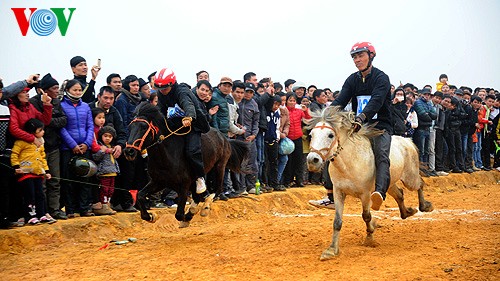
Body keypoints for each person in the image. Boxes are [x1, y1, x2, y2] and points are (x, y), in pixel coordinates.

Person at [329, 41, 393, 210]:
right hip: (359, 125)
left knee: (381, 154)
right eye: (354, 57)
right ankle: (330, 193)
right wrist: (326, 115)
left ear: (371, 56)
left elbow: (376, 101)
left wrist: (362, 117)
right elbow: (340, 100)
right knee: (332, 148)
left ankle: (379, 192)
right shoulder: (352, 79)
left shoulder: (381, 78)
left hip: (380, 125)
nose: (357, 60)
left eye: (361, 55)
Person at [154, 67, 211, 194]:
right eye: (160, 88)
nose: (162, 91)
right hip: (176, 124)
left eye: (165, 88)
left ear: (172, 84)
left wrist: (189, 116)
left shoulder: (182, 91)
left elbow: (188, 105)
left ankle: (200, 177)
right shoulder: (161, 93)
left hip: (194, 124)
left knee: (192, 151)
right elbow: (160, 110)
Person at [30, 73, 68, 220]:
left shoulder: (57, 102)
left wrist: (48, 122)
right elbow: (36, 123)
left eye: (58, 87)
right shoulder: (34, 103)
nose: (57, 91)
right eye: (54, 88)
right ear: (43, 90)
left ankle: (55, 209)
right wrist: (48, 121)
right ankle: (43, 211)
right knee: (42, 182)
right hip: (37, 148)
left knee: (55, 180)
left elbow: (64, 120)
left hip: (53, 146)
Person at [59, 79, 95, 218]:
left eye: (80, 90)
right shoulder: (61, 106)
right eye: (75, 90)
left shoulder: (85, 106)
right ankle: (70, 209)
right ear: (68, 90)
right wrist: (72, 145)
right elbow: (61, 127)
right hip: (68, 148)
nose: (78, 92)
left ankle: (84, 208)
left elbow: (90, 126)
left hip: (85, 148)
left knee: (85, 178)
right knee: (69, 180)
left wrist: (87, 143)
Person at [11, 118, 56, 225]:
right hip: (25, 174)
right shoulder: (21, 142)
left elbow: (42, 158)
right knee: (29, 195)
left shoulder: (40, 144)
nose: (43, 132)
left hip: (38, 174)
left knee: (40, 194)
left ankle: (41, 214)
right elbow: (14, 154)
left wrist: (46, 170)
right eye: (40, 130)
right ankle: (30, 216)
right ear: (32, 131)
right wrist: (16, 166)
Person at [92, 126, 119, 215]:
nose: (107, 138)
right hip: (104, 173)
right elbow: (95, 157)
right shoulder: (100, 146)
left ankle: (108, 203)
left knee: (111, 190)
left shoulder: (112, 147)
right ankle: (103, 205)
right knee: (105, 189)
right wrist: (102, 151)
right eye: (105, 136)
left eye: (110, 136)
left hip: (113, 172)